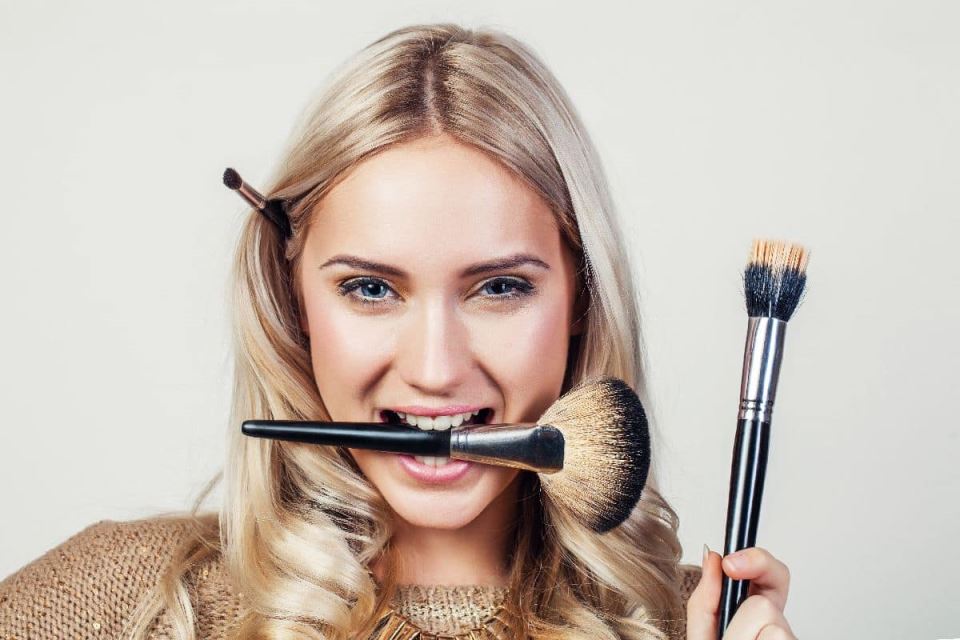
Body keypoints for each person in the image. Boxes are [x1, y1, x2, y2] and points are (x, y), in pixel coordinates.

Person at [0, 23, 795, 640]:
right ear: (292, 300)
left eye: (500, 288)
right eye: (371, 289)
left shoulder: (699, 624)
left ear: (583, 298)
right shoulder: (124, 601)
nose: (436, 370)